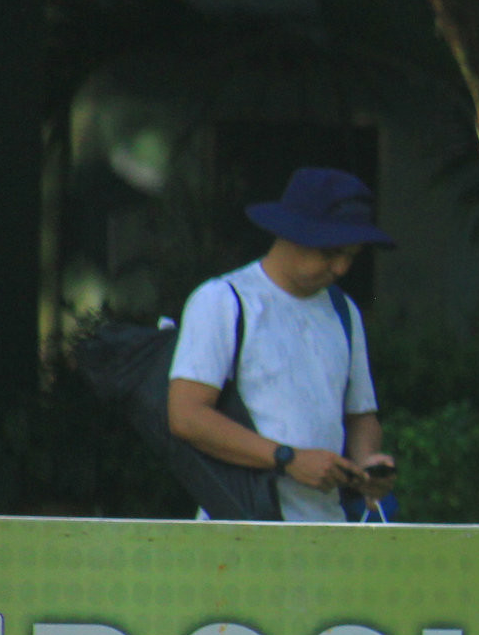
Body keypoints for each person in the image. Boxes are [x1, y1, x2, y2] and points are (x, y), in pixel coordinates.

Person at [167, 167, 396, 522]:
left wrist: (367, 463)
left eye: (351, 255)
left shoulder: (343, 310)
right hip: (240, 523)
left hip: (326, 527)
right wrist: (288, 459)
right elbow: (186, 415)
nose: (341, 268)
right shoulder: (224, 300)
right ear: (291, 232)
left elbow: (361, 414)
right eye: (330, 252)